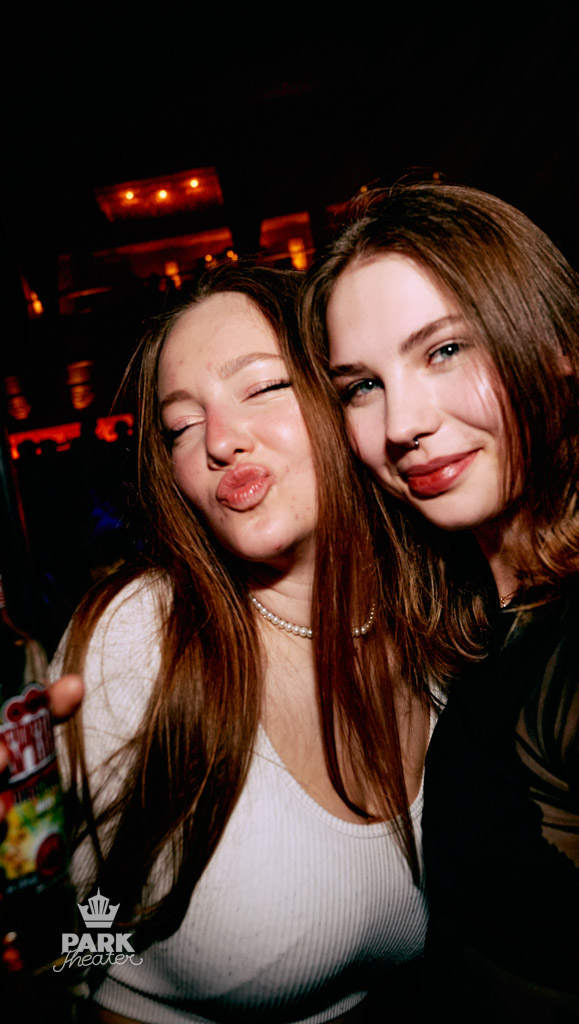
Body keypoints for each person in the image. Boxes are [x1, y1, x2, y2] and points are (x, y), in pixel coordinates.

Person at [298, 181, 579, 1023]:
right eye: (360, 386)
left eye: (444, 350)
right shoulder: (492, 616)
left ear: (554, 347)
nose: (401, 423)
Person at [48, 261, 440, 1023]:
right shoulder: (140, 642)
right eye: (181, 426)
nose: (220, 442)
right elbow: (72, 947)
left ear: (348, 393)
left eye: (261, 387)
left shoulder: (446, 623)